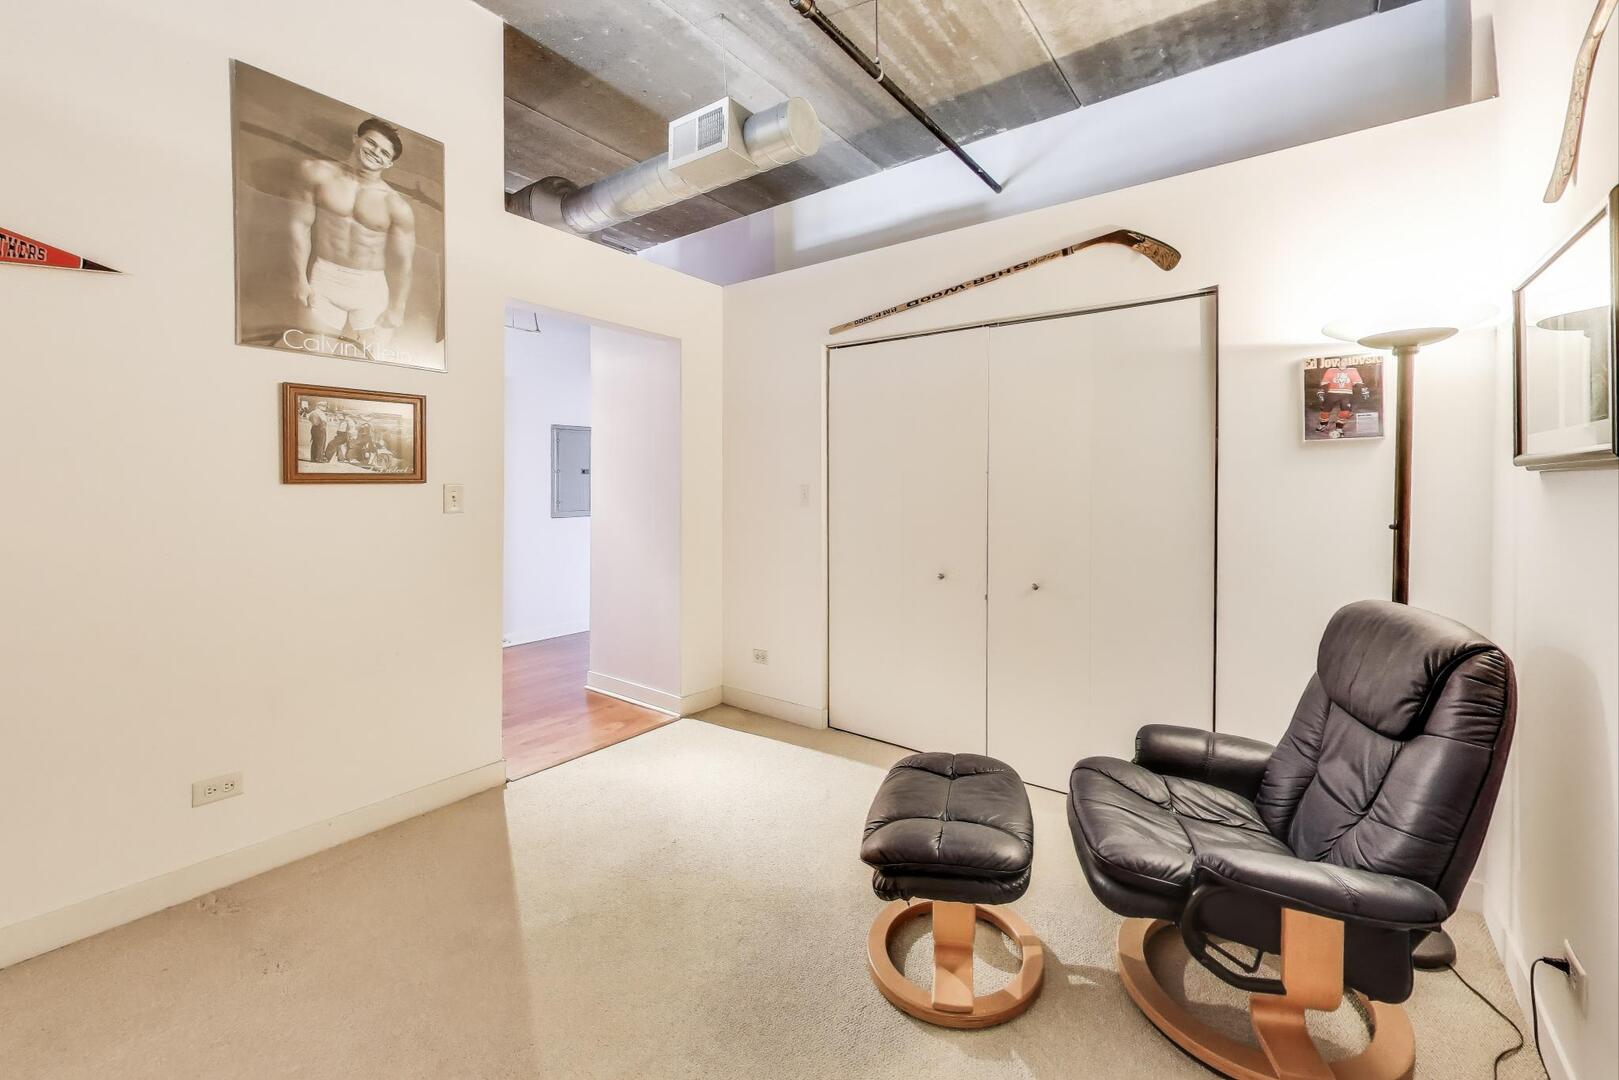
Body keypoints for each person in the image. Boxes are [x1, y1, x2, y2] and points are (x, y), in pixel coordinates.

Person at [288, 117, 415, 348]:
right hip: (325, 277)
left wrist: (398, 307)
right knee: (313, 358)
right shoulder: (317, 174)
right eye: (371, 143)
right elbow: (299, 225)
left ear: (389, 164)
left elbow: (403, 262)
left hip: (370, 287)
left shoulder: (395, 205)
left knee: (372, 364)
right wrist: (299, 279)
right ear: (356, 138)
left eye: (385, 153)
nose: (376, 153)